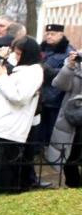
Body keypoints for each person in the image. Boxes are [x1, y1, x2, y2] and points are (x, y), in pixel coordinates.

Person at [0, 37, 44, 192]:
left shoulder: (34, 71)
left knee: (3, 174)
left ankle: (1, 195)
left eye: (18, 53)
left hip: (8, 130)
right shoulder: (19, 69)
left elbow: (19, 97)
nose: (14, 56)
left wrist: (3, 77)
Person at [46, 50, 82, 187]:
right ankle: (73, 186)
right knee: (69, 156)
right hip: (72, 118)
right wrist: (69, 66)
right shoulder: (77, 63)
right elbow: (59, 84)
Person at [38, 23, 75, 144]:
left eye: (52, 34)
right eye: (47, 34)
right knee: (39, 128)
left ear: (61, 34)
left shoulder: (68, 52)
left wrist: (50, 71)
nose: (49, 36)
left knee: (52, 128)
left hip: (56, 96)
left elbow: (70, 71)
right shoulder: (41, 48)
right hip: (39, 94)